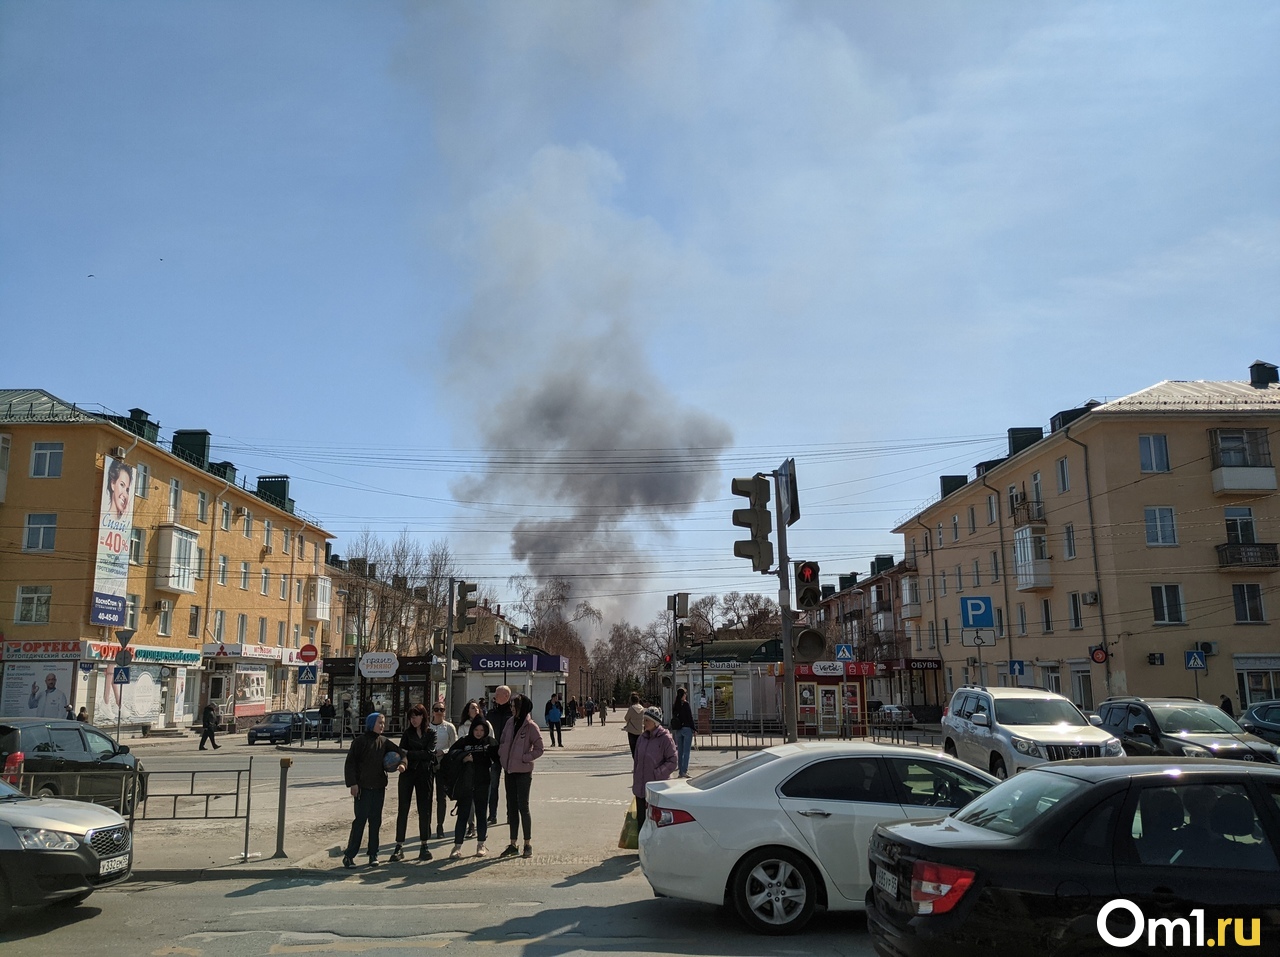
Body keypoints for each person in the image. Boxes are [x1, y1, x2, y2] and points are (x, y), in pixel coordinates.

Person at [342, 712, 405, 868]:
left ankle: (373, 854)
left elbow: (402, 752)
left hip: (378, 788)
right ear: (371, 723)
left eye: (384, 723)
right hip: (362, 789)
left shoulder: (384, 742)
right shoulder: (359, 742)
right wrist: (353, 784)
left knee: (375, 822)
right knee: (360, 821)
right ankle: (349, 856)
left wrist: (402, 763)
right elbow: (350, 764)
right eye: (379, 722)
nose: (382, 726)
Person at [498, 693, 544, 859]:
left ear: (521, 708)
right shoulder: (510, 723)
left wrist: (525, 758)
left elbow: (540, 748)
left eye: (514, 706)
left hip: (523, 772)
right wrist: (502, 754)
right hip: (509, 770)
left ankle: (527, 843)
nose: (511, 709)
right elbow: (503, 740)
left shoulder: (531, 726)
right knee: (511, 806)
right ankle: (512, 843)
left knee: (523, 807)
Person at [390, 704, 436, 862]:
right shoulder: (407, 733)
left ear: (423, 716)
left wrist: (410, 754)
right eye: (411, 717)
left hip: (424, 774)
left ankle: (424, 844)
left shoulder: (431, 733)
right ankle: (399, 845)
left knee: (425, 809)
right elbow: (401, 752)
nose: (413, 720)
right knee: (403, 808)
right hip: (407, 773)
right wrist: (409, 756)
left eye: (416, 716)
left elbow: (429, 754)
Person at [448, 715, 497, 858]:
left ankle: (481, 844)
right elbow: (451, 754)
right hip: (466, 783)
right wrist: (463, 756)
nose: (479, 732)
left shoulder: (490, 742)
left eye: (482, 730)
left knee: (481, 814)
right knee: (462, 815)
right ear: (472, 729)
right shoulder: (464, 741)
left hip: (483, 782)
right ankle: (457, 847)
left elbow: (498, 758)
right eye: (476, 729)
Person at [632, 706, 677, 823]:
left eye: (647, 720)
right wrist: (636, 777)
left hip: (656, 788)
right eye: (644, 720)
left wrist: (657, 773)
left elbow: (673, 761)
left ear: (655, 722)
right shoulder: (642, 738)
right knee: (641, 821)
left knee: (654, 823)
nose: (644, 723)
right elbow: (636, 760)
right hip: (640, 789)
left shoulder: (665, 739)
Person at [456, 699, 492, 838]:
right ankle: (471, 825)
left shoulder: (486, 724)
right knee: (468, 800)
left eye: (477, 708)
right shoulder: (463, 727)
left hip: (483, 769)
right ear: (467, 710)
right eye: (472, 708)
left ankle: (482, 830)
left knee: (482, 801)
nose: (475, 710)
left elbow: (491, 743)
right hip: (468, 768)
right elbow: (459, 746)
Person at [429, 701, 458, 839]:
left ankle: (440, 825)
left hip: (443, 766)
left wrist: (443, 751)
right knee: (427, 797)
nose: (439, 712)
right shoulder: (427, 727)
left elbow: (454, 746)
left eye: (441, 709)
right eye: (436, 709)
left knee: (441, 797)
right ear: (432, 711)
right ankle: (426, 825)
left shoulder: (449, 727)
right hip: (429, 765)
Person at [487, 686, 514, 827]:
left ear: (506, 696)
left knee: (510, 786)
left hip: (509, 754)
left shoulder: (513, 714)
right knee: (493, 786)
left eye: (498, 694)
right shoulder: (491, 713)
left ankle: (511, 814)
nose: (495, 696)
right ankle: (492, 815)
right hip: (494, 753)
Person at [671, 687, 696, 778]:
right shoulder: (686, 704)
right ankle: (684, 771)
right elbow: (690, 717)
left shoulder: (675, 705)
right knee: (686, 752)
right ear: (683, 695)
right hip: (687, 729)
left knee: (680, 751)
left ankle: (680, 771)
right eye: (685, 694)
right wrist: (694, 729)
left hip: (678, 730)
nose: (686, 695)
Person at [623, 692, 646, 760]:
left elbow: (626, 718)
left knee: (633, 749)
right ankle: (640, 764)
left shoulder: (631, 708)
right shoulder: (642, 709)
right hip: (640, 730)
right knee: (639, 748)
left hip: (631, 730)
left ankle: (636, 765)